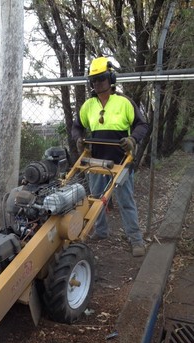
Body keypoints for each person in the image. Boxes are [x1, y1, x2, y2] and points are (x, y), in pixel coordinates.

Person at [71, 56, 148, 257]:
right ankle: (101, 231)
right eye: (94, 80)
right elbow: (77, 127)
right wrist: (79, 138)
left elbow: (142, 125)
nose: (98, 83)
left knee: (125, 201)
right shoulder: (88, 106)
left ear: (111, 77)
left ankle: (135, 239)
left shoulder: (124, 102)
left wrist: (132, 140)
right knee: (95, 198)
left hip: (121, 161)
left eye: (102, 78)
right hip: (95, 160)